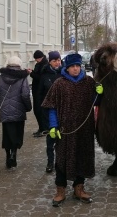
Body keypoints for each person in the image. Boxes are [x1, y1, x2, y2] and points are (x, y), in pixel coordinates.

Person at [41, 53, 97, 207]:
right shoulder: (60, 84)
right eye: (72, 66)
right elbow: (51, 107)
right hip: (65, 130)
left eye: (78, 65)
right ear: (67, 67)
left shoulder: (89, 82)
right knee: (62, 159)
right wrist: (53, 126)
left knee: (82, 157)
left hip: (84, 129)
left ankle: (79, 188)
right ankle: (60, 191)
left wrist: (100, 93)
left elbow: (96, 103)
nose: (76, 69)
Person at [0, 56, 32, 168]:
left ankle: (7, 156)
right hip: (19, 111)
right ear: (19, 65)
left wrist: (1, 105)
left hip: (5, 111)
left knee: (7, 134)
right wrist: (28, 107)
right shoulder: (23, 77)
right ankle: (13, 155)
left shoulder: (2, 76)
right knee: (18, 133)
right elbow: (25, 94)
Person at [37, 51, 62, 173]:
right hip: (48, 112)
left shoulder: (64, 74)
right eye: (54, 60)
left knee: (62, 139)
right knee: (50, 140)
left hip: (62, 111)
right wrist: (42, 111)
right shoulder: (44, 75)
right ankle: (50, 162)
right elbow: (40, 95)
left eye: (59, 60)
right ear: (50, 62)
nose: (57, 63)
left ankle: (61, 162)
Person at [29, 50, 48, 137]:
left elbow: (40, 78)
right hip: (36, 90)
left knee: (39, 111)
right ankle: (41, 128)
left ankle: (43, 129)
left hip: (40, 91)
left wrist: (31, 73)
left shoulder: (44, 65)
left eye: (37, 58)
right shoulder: (39, 64)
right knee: (37, 111)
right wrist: (32, 71)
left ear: (41, 57)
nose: (36, 60)